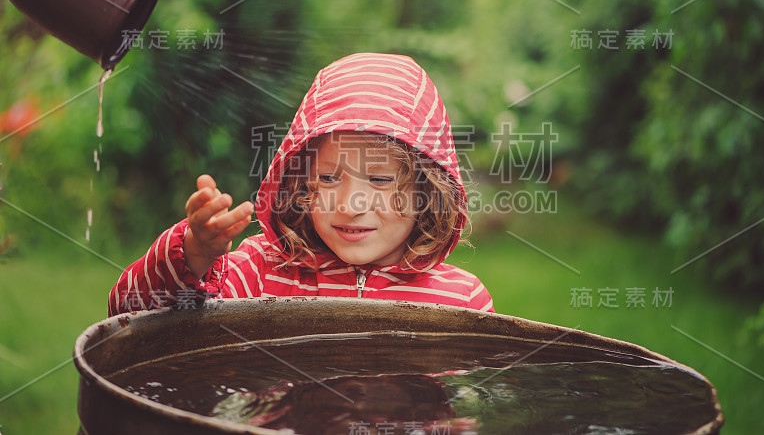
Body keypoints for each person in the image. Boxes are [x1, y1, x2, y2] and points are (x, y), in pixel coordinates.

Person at [108, 53, 493, 316]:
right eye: (328, 178)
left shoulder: (460, 301)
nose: (349, 204)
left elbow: (474, 409)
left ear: (426, 192)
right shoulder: (260, 272)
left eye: (378, 179)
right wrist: (194, 253)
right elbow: (131, 313)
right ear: (300, 181)